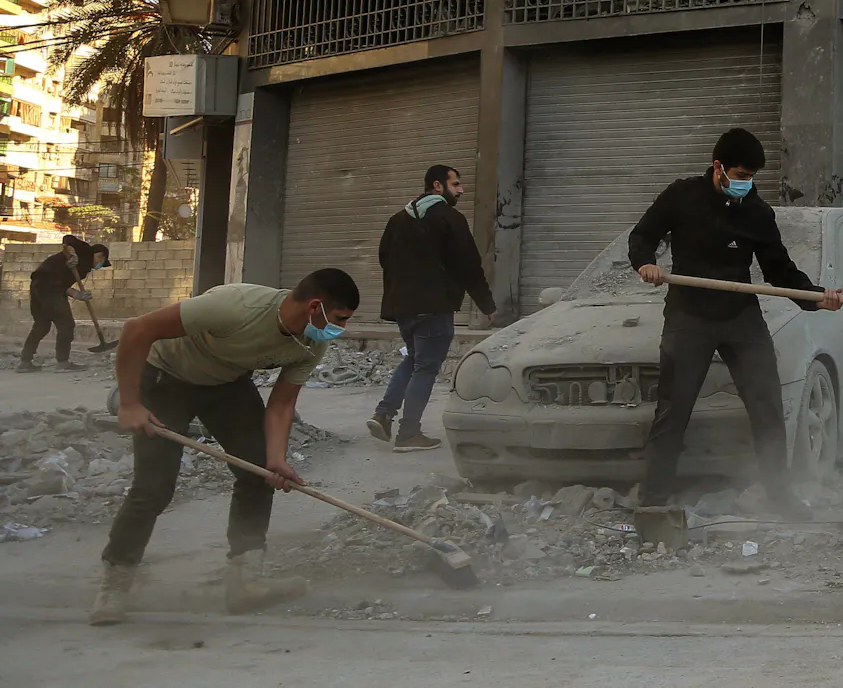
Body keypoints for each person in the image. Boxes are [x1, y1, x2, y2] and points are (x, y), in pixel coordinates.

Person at [89, 267, 360, 626]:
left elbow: (281, 405)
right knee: (154, 487)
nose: (339, 328)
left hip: (226, 385)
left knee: (259, 472)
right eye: (339, 319)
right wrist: (129, 404)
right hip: (166, 378)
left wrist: (276, 460)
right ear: (315, 307)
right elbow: (137, 329)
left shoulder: (313, 342)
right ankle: (115, 583)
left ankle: (244, 582)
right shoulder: (235, 306)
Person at [630, 128, 842, 513]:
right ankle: (654, 501)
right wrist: (645, 262)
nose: (745, 183)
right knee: (673, 410)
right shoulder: (682, 195)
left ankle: (780, 495)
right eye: (740, 175)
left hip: (739, 316)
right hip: (688, 315)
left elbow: (779, 269)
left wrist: (815, 298)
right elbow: (642, 235)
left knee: (767, 406)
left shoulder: (758, 213)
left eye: (750, 177)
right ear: (718, 168)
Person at [371, 164, 508, 452]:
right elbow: (469, 265)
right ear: (437, 186)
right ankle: (409, 434)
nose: (461, 190)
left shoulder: (397, 219)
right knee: (426, 368)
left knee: (413, 360)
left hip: (403, 308)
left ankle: (384, 413)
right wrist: (487, 305)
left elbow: (384, 258)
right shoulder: (449, 218)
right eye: (455, 184)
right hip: (434, 307)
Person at [18, 235, 110, 372]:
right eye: (101, 261)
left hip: (40, 286)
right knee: (66, 325)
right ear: (99, 255)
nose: (100, 264)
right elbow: (67, 238)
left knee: (41, 326)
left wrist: (77, 294)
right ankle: (62, 362)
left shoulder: (84, 269)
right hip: (46, 285)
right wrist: (73, 253)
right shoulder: (84, 250)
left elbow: (61, 285)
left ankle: (25, 362)